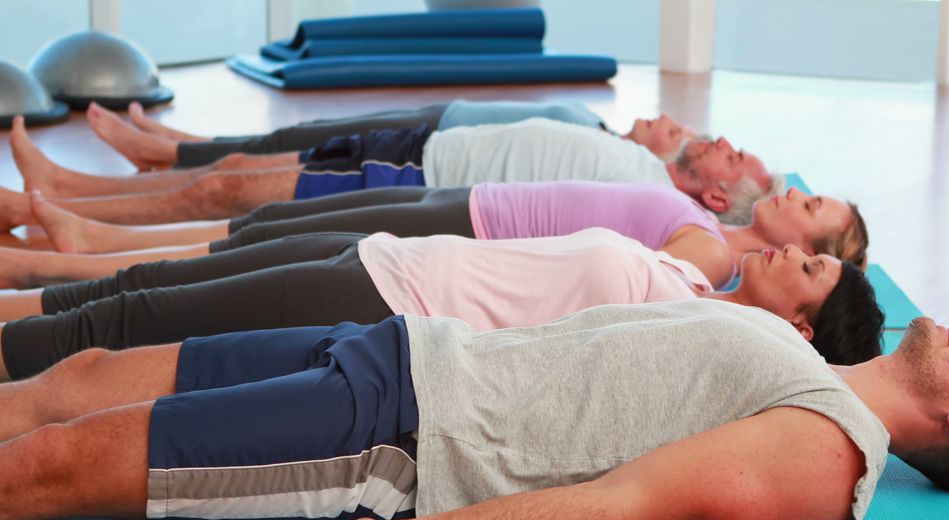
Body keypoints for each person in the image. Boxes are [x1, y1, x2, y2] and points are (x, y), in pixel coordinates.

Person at [0, 300, 949, 520]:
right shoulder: (805, 358)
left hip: (403, 429)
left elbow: (620, 507)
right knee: (78, 378)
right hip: (403, 345)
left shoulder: (830, 451)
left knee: (47, 465)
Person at [0, 230, 882, 380]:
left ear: (798, 328)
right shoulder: (697, 278)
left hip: (383, 296)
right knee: (141, 291)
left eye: (808, 270)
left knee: (119, 329)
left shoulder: (698, 326)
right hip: (389, 258)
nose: (792, 255)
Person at [0, 181, 865, 291]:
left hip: (467, 232)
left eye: (815, 213)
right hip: (471, 209)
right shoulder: (710, 223)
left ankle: (61, 257)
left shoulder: (708, 254)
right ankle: (68, 247)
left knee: (259, 248)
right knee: (268, 234)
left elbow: (598, 288)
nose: (798, 199)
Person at [5, 115, 782, 228]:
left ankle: (73, 215)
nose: (722, 141)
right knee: (235, 169)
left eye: (734, 156)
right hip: (427, 151)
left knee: (227, 191)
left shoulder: (656, 202)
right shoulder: (649, 162)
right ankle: (71, 191)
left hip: (417, 180)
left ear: (718, 194)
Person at [85, 99, 687, 170]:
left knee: (304, 146)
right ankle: (182, 147)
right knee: (308, 131)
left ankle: (167, 154)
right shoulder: (600, 127)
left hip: (433, 141)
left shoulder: (609, 155)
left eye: (675, 131)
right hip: (440, 120)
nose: (665, 119)